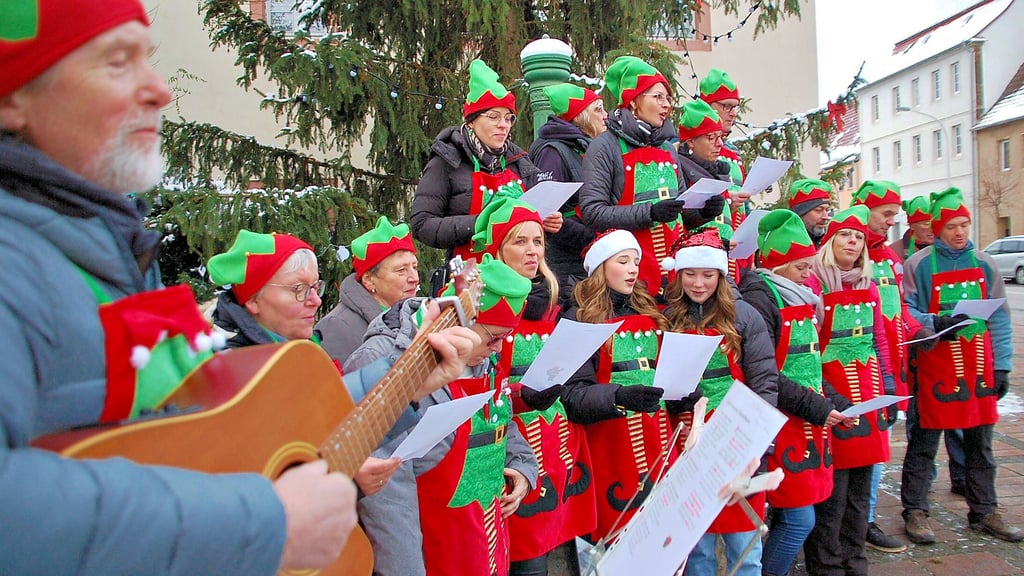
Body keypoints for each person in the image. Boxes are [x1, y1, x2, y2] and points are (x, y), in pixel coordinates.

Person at [0, 2, 479, 573]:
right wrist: (263, 522)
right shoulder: (19, 260)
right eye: (116, 62)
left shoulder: (99, 247)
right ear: (14, 98)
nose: (159, 90)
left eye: (149, 60)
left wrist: (400, 382)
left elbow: (212, 438)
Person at [345, 254, 540, 576]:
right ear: (461, 320)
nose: (498, 349)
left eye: (505, 338)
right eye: (493, 337)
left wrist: (522, 468)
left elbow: (501, 419)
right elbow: (389, 496)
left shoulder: (482, 355)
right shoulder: (380, 356)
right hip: (430, 552)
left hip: (483, 544)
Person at [471, 196, 597, 576]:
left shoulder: (555, 303)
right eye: (520, 241)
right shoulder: (477, 311)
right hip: (512, 453)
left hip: (558, 448)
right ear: (498, 250)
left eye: (537, 241)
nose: (531, 251)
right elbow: (476, 393)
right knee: (526, 562)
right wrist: (521, 396)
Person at [900, 187, 1022, 544]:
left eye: (965, 225)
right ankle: (916, 511)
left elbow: (999, 317)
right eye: (952, 226)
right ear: (937, 228)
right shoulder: (918, 265)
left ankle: (984, 510)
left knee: (980, 445)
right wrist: (934, 321)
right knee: (924, 444)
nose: (959, 232)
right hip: (935, 367)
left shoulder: (985, 264)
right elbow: (906, 311)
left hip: (978, 366)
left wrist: (1002, 366)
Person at [660, 227, 779, 576]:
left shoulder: (745, 317)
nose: (699, 284)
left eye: (708, 275)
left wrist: (756, 443)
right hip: (689, 445)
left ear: (720, 276)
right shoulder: (666, 319)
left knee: (745, 549)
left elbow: (764, 382)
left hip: (737, 442)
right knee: (698, 551)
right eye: (691, 275)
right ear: (679, 276)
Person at [748, 209, 856, 576]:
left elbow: (809, 368)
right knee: (797, 520)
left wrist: (837, 403)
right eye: (801, 268)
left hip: (806, 423)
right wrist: (819, 408)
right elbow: (768, 375)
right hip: (783, 427)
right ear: (778, 266)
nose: (810, 276)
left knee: (798, 517)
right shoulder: (763, 302)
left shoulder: (801, 300)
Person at [578, 55, 723, 298]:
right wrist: (650, 213)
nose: (666, 104)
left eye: (668, 98)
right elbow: (593, 212)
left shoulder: (667, 149)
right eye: (657, 97)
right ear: (633, 102)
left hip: (676, 277)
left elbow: (679, 212)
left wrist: (702, 212)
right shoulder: (605, 147)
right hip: (630, 279)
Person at [559, 229, 672, 542]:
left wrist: (683, 394)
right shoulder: (578, 319)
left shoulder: (651, 313)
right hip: (609, 451)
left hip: (659, 444)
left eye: (635, 261)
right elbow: (571, 394)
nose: (634, 268)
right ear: (600, 268)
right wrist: (619, 396)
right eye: (623, 261)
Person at [802, 205, 895, 576]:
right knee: (833, 492)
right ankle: (826, 562)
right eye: (845, 234)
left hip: (870, 392)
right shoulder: (815, 286)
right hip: (834, 396)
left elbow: (879, 342)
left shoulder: (869, 286)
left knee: (860, 490)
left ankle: (855, 558)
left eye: (858, 237)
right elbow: (807, 348)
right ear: (830, 241)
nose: (853, 241)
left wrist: (888, 386)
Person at [851, 180, 933, 554]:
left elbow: (897, 311)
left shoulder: (889, 259)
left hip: (891, 367)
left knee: (880, 447)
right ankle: (854, 522)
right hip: (860, 367)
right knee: (863, 448)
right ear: (865, 209)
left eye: (894, 217)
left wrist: (925, 328)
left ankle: (863, 520)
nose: (890, 223)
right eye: (885, 215)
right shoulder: (847, 254)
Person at [411, 59, 559, 263]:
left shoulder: (520, 162)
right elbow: (422, 225)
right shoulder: (446, 161)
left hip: (519, 278)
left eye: (508, 118)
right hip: (469, 277)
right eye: (493, 117)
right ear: (471, 121)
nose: (503, 125)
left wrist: (544, 223)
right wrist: (480, 223)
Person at [529, 82, 607, 294]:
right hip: (565, 265)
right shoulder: (553, 151)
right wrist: (593, 238)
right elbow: (549, 214)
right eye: (598, 110)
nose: (605, 115)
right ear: (580, 116)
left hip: (581, 256)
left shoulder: (582, 147)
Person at [316, 216, 419, 364]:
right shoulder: (336, 327)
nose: (414, 278)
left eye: (414, 267)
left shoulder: (414, 314)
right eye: (401, 270)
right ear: (369, 280)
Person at [788, 178, 833, 248]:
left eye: (827, 210)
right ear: (800, 213)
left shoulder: (829, 246)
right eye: (818, 210)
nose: (825, 216)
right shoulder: (785, 245)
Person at [891, 195, 935, 262]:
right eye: (927, 224)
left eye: (935, 223)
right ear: (912, 225)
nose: (932, 229)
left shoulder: (949, 247)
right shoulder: (894, 252)